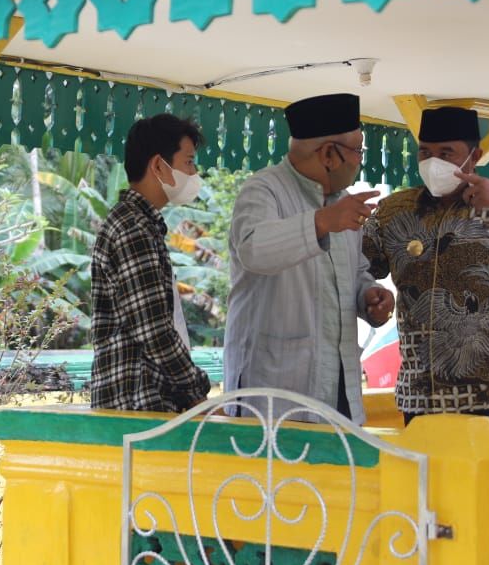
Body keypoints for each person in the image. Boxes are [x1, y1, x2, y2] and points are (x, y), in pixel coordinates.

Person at [362, 106, 489, 520]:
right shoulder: (394, 212)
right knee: (428, 510)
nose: (433, 162)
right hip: (422, 392)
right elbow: (359, 270)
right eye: (425, 152)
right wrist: (370, 296)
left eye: (447, 152)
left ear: (475, 154)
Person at [224, 93, 394, 423]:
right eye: (358, 150)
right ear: (329, 154)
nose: (360, 160)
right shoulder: (263, 190)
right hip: (274, 395)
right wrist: (321, 222)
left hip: (339, 390)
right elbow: (254, 249)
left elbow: (354, 273)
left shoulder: (342, 202)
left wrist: (368, 297)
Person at [90, 114, 212, 413]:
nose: (194, 173)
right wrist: (198, 396)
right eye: (188, 162)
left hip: (138, 402)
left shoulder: (138, 223)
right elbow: (153, 330)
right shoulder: (133, 228)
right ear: (158, 165)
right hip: (139, 404)